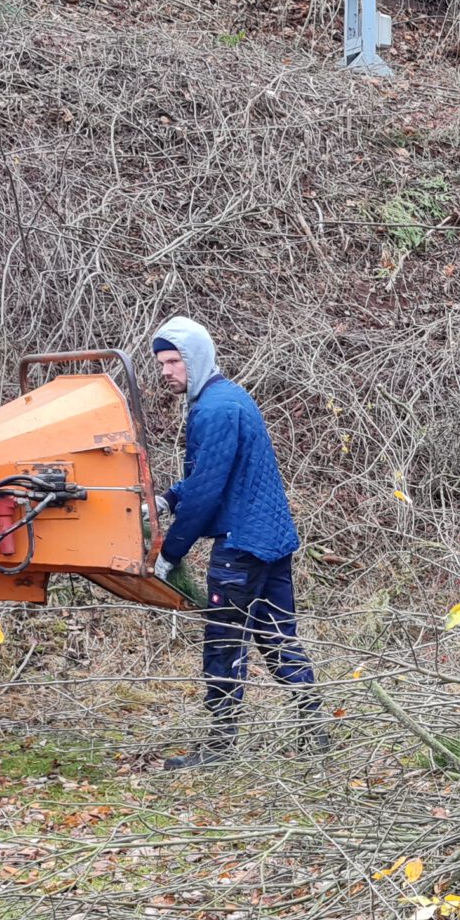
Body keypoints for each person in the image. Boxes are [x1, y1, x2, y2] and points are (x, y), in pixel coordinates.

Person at [148, 317, 319, 766]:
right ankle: (315, 734)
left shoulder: (214, 409)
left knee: (224, 641)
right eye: (162, 362)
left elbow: (207, 490)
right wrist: (167, 499)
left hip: (242, 546)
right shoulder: (230, 397)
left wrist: (170, 552)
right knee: (278, 636)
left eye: (172, 361)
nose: (165, 371)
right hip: (272, 539)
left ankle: (220, 750)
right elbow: (212, 474)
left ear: (194, 357)